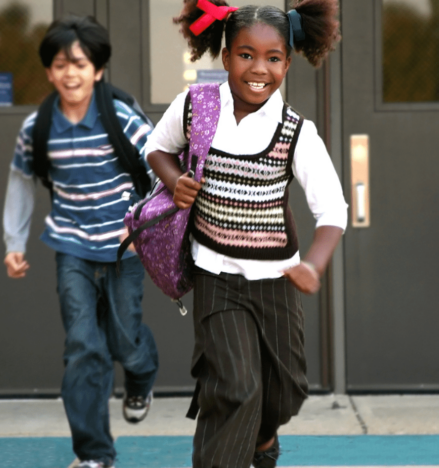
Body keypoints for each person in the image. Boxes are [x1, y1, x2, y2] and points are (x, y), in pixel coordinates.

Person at [144, 1, 345, 467]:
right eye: (245, 55)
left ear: (288, 63)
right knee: (234, 387)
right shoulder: (196, 106)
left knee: (284, 391)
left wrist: (313, 264)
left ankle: (263, 440)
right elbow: (156, 147)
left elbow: (332, 208)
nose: (259, 69)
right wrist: (175, 182)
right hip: (216, 276)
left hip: (276, 280)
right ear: (225, 55)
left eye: (273, 58)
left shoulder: (296, 132)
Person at [2, 15, 159, 468]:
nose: (70, 72)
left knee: (126, 341)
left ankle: (141, 377)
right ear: (49, 72)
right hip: (71, 247)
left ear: (98, 70)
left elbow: (160, 172)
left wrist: (140, 224)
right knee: (83, 347)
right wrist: (15, 242)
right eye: (60, 64)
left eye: (80, 63)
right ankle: (94, 455)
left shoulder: (121, 116)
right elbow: (20, 182)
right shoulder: (39, 126)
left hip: (122, 248)